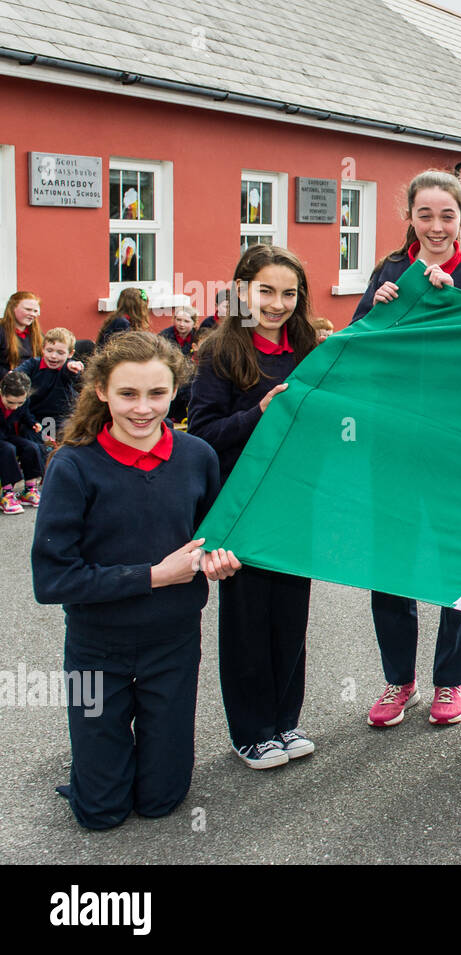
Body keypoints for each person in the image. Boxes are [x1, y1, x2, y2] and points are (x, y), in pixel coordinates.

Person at [30, 331, 237, 830]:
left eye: (157, 394)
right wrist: (153, 576)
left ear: (174, 391)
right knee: (101, 813)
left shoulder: (197, 457)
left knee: (162, 799)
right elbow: (51, 580)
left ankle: (125, 765)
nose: (143, 408)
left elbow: (212, 538)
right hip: (97, 645)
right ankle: (93, 772)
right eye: (128, 394)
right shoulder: (73, 466)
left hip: (174, 639)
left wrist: (222, 559)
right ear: (100, 390)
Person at [351, 168, 461, 729]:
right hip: (393, 441)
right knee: (392, 562)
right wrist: (375, 306)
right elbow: (359, 347)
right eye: (425, 214)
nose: (436, 226)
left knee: (457, 560)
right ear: (410, 217)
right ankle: (399, 681)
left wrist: (456, 303)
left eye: (447, 215)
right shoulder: (389, 269)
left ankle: (450, 683)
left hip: (458, 443)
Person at [187, 244, 318, 770]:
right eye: (266, 291)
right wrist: (258, 413)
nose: (278, 303)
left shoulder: (310, 345)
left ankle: (285, 722)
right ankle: (251, 732)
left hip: (294, 503)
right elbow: (202, 434)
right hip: (242, 505)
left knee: (290, 618)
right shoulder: (221, 351)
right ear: (242, 290)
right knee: (247, 621)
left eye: (290, 293)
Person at [16, 326, 84, 438]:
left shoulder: (68, 368)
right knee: (36, 446)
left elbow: (74, 377)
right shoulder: (33, 364)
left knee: (65, 441)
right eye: (49, 350)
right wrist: (14, 375)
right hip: (33, 418)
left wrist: (74, 369)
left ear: (70, 354)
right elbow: (17, 374)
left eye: (60, 353)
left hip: (60, 419)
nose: (53, 356)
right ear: (43, 349)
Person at [1, 370, 46, 511]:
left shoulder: (23, 402)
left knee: (31, 447)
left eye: (19, 403)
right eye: (10, 402)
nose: (14, 407)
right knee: (8, 449)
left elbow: (25, 414)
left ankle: (30, 488)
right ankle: (7, 492)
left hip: (6, 434)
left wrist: (33, 423)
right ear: (1, 392)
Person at [160, 305, 199, 423]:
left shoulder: (197, 337)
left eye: (186, 321)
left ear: (194, 323)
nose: (181, 324)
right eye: (178, 320)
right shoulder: (165, 336)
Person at [2, 291, 43, 370]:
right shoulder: (2, 331)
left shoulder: (37, 334)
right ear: (13, 308)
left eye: (35, 311)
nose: (33, 314)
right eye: (28, 309)